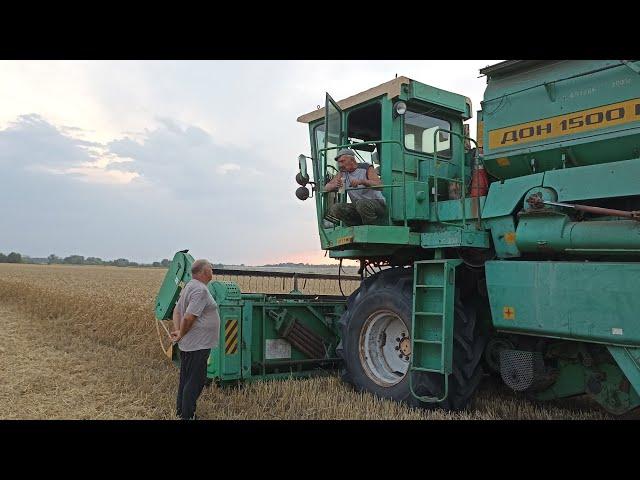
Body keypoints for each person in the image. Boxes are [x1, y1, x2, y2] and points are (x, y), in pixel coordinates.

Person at [170, 259, 220, 420]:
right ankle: (188, 415)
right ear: (204, 272)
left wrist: (179, 332)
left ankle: (181, 412)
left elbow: (176, 311)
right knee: (195, 382)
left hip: (190, 344)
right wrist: (181, 333)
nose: (212, 272)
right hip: (198, 344)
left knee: (186, 379)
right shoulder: (200, 290)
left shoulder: (189, 287)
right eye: (211, 269)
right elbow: (189, 317)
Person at [324, 148, 386, 226]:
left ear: (352, 160)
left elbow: (380, 185)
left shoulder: (366, 167)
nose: (340, 165)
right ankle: (354, 227)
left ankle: (370, 227)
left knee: (361, 204)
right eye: (339, 162)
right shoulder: (343, 173)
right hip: (358, 206)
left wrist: (362, 181)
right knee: (336, 208)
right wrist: (335, 185)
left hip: (377, 204)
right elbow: (326, 187)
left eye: (342, 161)